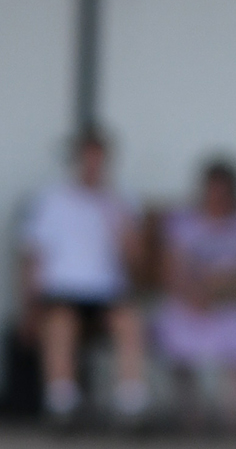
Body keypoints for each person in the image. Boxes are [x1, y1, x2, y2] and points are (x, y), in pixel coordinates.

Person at [17, 127, 147, 426]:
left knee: (128, 323)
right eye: (87, 160)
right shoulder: (50, 200)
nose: (93, 168)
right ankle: (62, 402)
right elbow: (33, 257)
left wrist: (121, 223)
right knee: (61, 324)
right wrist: (30, 304)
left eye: (99, 161)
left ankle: (131, 402)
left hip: (106, 291)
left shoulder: (122, 201)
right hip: (63, 289)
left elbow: (135, 262)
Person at [153, 157, 236, 429]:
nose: (218, 198)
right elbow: (172, 272)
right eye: (213, 191)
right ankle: (190, 413)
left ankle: (234, 416)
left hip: (235, 303)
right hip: (192, 302)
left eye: (224, 192)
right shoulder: (184, 224)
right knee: (175, 327)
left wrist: (225, 290)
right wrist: (194, 295)